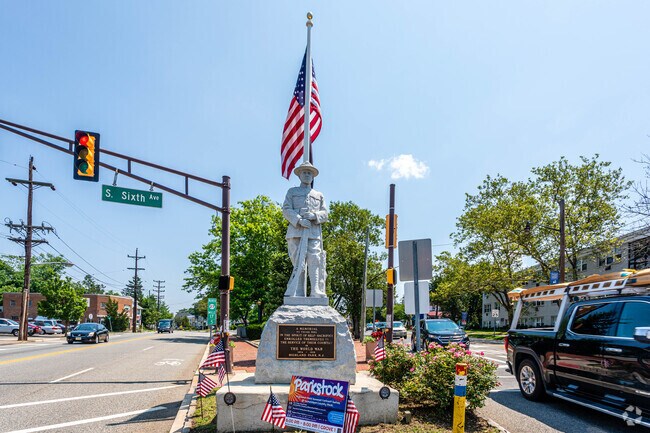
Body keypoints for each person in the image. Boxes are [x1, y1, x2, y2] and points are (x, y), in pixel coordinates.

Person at [282, 161, 328, 298]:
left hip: (313, 234)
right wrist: (299, 220)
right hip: (296, 232)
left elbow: (325, 214)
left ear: (313, 176)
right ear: (299, 175)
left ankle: (316, 290)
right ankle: (298, 291)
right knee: (298, 262)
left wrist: (314, 216)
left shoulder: (319, 195)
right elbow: (286, 209)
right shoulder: (292, 192)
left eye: (310, 173)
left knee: (315, 259)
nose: (307, 175)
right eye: (304, 172)